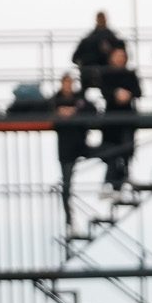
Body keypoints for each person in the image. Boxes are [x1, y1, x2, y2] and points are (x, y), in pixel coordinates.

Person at [95, 47, 142, 191]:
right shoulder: (106, 74)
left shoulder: (130, 74)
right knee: (112, 151)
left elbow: (138, 92)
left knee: (127, 149)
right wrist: (116, 93)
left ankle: (123, 178)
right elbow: (104, 91)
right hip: (111, 118)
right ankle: (111, 183)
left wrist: (127, 94)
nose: (120, 58)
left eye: (122, 55)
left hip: (128, 117)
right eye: (117, 55)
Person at [52, 74, 95, 230]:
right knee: (67, 184)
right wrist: (59, 113)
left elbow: (92, 109)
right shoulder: (55, 100)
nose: (68, 85)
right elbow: (46, 111)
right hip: (66, 149)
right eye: (66, 82)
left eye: (71, 82)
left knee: (109, 152)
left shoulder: (80, 99)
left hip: (82, 145)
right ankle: (69, 220)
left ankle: (112, 183)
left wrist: (74, 111)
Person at [71, 11, 126, 89]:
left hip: (111, 76)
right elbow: (75, 58)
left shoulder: (114, 40)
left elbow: (124, 56)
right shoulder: (87, 40)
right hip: (90, 75)